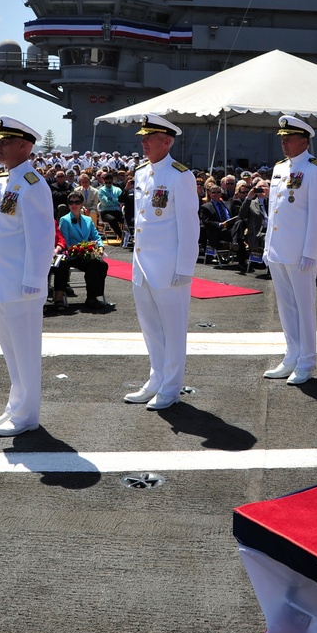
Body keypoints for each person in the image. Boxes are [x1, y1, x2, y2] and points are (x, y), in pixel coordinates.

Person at [0, 116, 54, 436]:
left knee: (26, 350)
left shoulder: (32, 183)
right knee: (11, 350)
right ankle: (16, 404)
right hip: (1, 281)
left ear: (24, 146)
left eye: (4, 142)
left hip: (21, 284)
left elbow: (42, 237)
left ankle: (27, 416)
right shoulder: (5, 181)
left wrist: (34, 279)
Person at [123, 114, 198, 411]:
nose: (143, 142)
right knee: (151, 328)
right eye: (143, 137)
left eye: (149, 137)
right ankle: (156, 378)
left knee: (173, 329)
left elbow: (189, 226)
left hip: (169, 267)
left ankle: (171, 387)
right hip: (142, 265)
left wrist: (185, 268)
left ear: (166, 141)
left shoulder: (180, 176)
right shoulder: (142, 173)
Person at [262, 116, 317, 384]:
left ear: (304, 141)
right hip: (279, 250)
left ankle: (306, 361)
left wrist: (311, 251)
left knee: (305, 308)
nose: (284, 142)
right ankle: (291, 355)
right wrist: (269, 247)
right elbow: (275, 212)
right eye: (282, 138)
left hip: (300, 252)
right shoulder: (279, 168)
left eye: (289, 138)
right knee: (286, 307)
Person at [54, 192, 113, 311]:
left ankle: (92, 297)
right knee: (94, 264)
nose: (74, 205)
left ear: (81, 204)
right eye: (71, 202)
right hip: (71, 255)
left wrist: (100, 247)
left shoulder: (88, 220)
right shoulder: (65, 220)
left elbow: (95, 236)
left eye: (77, 202)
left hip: (85, 254)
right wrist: (78, 250)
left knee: (101, 265)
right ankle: (91, 298)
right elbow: (66, 241)